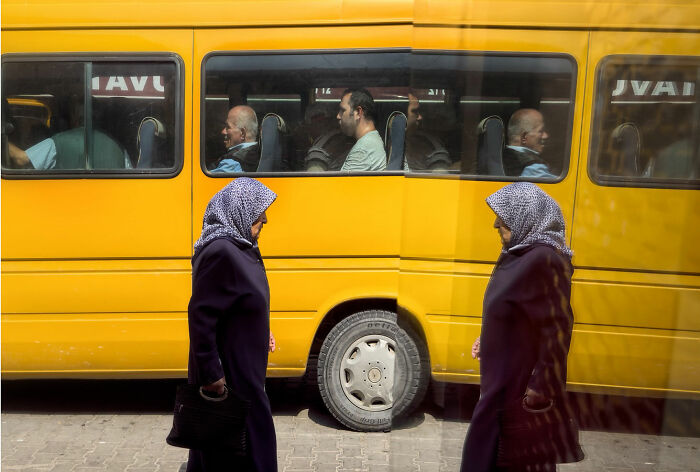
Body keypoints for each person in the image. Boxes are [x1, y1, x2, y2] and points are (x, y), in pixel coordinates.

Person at [461, 182, 575, 472]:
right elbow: (514, 309)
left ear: (526, 216)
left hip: (516, 389)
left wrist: (542, 385)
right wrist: (488, 337)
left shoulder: (545, 260)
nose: (496, 223)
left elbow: (557, 329)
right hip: (500, 383)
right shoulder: (518, 251)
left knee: (504, 457)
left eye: (504, 217)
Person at [186, 177, 277, 472]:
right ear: (239, 210)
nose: (264, 220)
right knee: (237, 444)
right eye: (258, 216)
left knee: (237, 447)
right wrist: (212, 375)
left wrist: (262, 327)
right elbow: (201, 317)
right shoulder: (221, 252)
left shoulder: (241, 244)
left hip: (245, 367)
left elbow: (241, 299)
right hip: (231, 375)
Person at [336, 88, 386, 171]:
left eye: (342, 110)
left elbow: (342, 184)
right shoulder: (370, 142)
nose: (338, 116)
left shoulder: (362, 151)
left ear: (358, 112)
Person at [404, 92, 451, 172]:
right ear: (401, 115)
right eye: (415, 112)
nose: (420, 117)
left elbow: (439, 176)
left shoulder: (431, 146)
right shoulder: (390, 141)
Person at [503, 109, 555, 178]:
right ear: (524, 137)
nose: (545, 136)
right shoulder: (534, 167)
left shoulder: (501, 156)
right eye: (540, 131)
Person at [211, 105, 260, 173]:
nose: (223, 131)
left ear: (242, 133)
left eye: (228, 127)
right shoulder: (259, 153)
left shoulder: (232, 164)